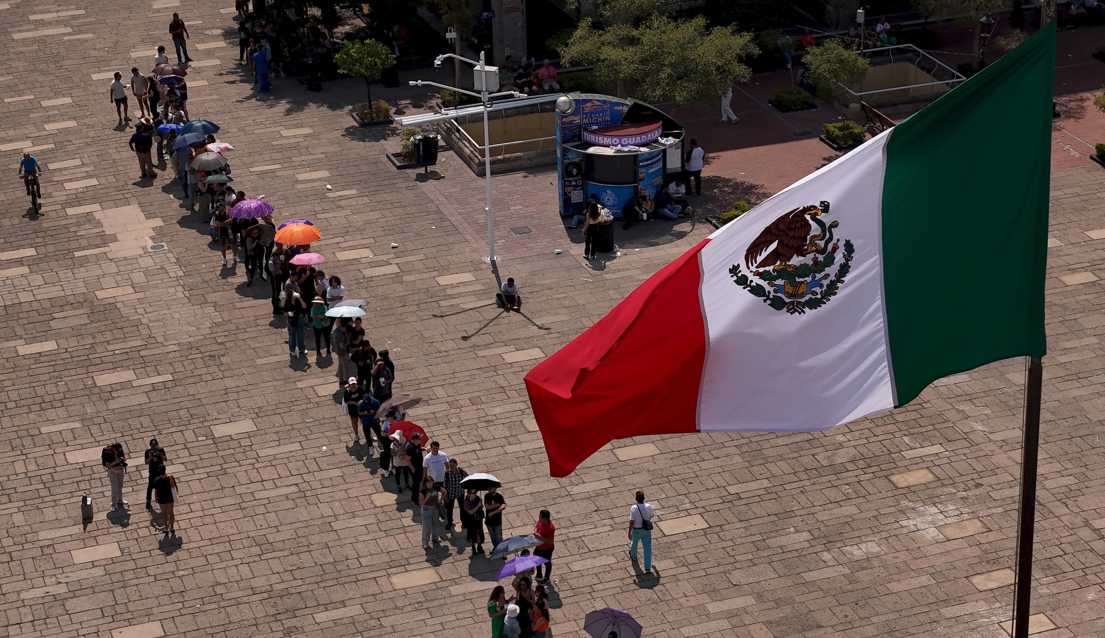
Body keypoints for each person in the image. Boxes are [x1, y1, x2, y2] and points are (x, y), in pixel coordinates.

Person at [629, 490, 654, 573]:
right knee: (647, 549)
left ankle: (633, 556)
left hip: (636, 530)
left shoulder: (634, 508)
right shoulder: (648, 506)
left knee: (634, 543)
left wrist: (629, 531)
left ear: (636, 499)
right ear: (644, 498)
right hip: (646, 530)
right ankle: (647, 568)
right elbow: (651, 516)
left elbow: (632, 521)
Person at [284, 283, 308, 360]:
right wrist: (289, 313)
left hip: (300, 318)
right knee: (292, 336)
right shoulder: (287, 299)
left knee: (301, 334)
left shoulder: (299, 297)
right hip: (291, 320)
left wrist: (300, 298)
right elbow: (285, 312)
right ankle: (292, 350)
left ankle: (302, 349)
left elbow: (304, 306)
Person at [101, 442, 127, 511]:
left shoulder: (119, 449)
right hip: (112, 470)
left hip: (120, 469)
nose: (117, 452)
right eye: (116, 451)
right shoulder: (106, 451)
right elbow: (107, 465)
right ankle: (113, 504)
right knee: (114, 487)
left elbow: (123, 457)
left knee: (120, 485)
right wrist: (116, 462)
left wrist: (123, 459)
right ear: (113, 449)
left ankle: (120, 500)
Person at [442, 458, 467, 530]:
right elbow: (445, 486)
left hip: (460, 493)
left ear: (456, 465)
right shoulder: (447, 474)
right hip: (451, 494)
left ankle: (464, 522)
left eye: (453, 465)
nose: (451, 467)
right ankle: (450, 523)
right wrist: (445, 496)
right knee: (449, 510)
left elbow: (467, 477)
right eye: (450, 466)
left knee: (462, 508)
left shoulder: (461, 471)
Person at [420, 481, 444, 550]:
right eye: (428, 483)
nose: (430, 484)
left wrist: (440, 500)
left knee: (435, 524)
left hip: (435, 508)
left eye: (431, 482)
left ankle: (435, 538)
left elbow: (444, 491)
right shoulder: (423, 491)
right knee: (426, 527)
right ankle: (425, 543)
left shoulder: (436, 487)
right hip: (426, 510)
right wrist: (427, 497)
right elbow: (421, 503)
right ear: (425, 483)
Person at [533, 510, 555, 583]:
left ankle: (547, 578)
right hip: (539, 547)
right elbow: (536, 527)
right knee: (536, 559)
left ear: (545, 519)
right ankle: (539, 574)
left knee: (547, 562)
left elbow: (550, 541)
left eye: (540, 517)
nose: (538, 518)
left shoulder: (550, 528)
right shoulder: (540, 522)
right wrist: (535, 532)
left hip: (547, 549)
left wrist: (539, 537)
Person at [144, 439, 166, 512]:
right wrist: (150, 457)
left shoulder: (161, 450)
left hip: (160, 471)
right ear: (150, 445)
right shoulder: (147, 452)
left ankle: (161, 500)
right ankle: (148, 502)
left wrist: (160, 455)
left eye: (155, 445)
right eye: (152, 445)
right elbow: (146, 462)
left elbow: (165, 459)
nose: (153, 447)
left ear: (157, 445)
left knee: (161, 486)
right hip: (152, 472)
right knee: (150, 487)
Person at [463, 488, 486, 554]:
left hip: (478, 519)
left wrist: (481, 504)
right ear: (468, 493)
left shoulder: (478, 498)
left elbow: (481, 507)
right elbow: (470, 512)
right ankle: (473, 547)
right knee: (472, 534)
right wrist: (478, 505)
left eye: (475, 493)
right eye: (472, 493)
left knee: (479, 533)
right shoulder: (466, 502)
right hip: (471, 521)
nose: (474, 494)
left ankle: (479, 546)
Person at [484, 485, 506, 551]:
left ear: (495, 488)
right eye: (489, 488)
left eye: (491, 488)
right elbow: (487, 507)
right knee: (493, 537)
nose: (489, 489)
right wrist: (497, 505)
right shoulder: (487, 496)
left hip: (497, 521)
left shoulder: (499, 496)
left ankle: (501, 550)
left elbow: (503, 506)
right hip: (489, 521)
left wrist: (493, 512)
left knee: (498, 537)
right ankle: (496, 548)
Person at [343, 376, 364, 445]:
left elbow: (364, 396)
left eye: (354, 384)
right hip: (353, 410)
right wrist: (355, 403)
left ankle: (368, 434)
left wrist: (361, 401)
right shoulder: (347, 392)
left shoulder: (360, 389)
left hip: (361, 409)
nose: (353, 385)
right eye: (352, 384)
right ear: (349, 385)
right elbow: (346, 401)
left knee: (364, 422)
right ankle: (356, 435)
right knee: (354, 422)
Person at [269, 244, 288, 314]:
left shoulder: (286, 251)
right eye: (279, 244)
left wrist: (284, 260)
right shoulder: (274, 253)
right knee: (277, 291)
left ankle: (282, 305)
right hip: (277, 275)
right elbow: (271, 265)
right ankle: (276, 308)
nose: (280, 245)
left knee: (285, 290)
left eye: (281, 244)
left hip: (285, 273)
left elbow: (288, 261)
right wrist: (277, 270)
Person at [406, 433, 424, 502]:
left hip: (420, 467)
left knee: (420, 481)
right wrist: (412, 469)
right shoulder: (410, 448)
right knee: (416, 484)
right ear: (414, 440)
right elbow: (407, 460)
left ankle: (419, 494)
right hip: (415, 469)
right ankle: (414, 498)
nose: (420, 440)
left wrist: (424, 448)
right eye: (419, 439)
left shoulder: (418, 445)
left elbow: (419, 449)